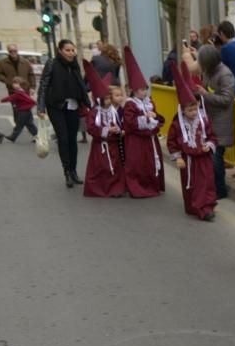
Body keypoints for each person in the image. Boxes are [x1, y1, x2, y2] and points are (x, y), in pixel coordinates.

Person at [167, 62, 218, 221]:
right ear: (182, 109)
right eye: (189, 110)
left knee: (206, 183)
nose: (193, 112)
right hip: (188, 161)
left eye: (195, 108)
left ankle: (206, 208)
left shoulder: (204, 120)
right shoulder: (177, 124)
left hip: (203, 158)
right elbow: (172, 141)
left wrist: (209, 146)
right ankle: (194, 206)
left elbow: (212, 136)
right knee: (192, 186)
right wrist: (178, 157)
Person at [37, 39, 91, 189]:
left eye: (72, 50)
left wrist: (88, 103)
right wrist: (40, 107)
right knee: (64, 139)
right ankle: (66, 171)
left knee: (73, 140)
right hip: (56, 106)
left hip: (73, 105)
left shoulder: (74, 66)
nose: (71, 53)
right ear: (60, 51)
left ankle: (73, 170)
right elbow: (44, 85)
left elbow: (80, 85)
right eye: (67, 50)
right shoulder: (52, 64)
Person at [121, 46, 164, 197]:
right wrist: (146, 117)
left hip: (149, 138)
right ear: (133, 90)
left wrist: (157, 119)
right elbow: (130, 122)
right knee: (137, 164)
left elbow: (155, 115)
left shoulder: (149, 101)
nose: (144, 92)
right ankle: (138, 188)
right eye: (140, 90)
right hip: (136, 140)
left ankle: (153, 185)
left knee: (151, 162)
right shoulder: (130, 104)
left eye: (145, 89)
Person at [195, 44, 235, 199]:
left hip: (221, 121)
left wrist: (205, 94)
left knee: (216, 158)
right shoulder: (208, 72)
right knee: (212, 156)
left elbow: (226, 99)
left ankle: (220, 190)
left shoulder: (225, 75)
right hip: (210, 119)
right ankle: (214, 187)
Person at [81, 61, 125, 198]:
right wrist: (106, 130)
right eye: (105, 99)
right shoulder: (94, 112)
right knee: (101, 167)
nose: (108, 101)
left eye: (108, 98)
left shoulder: (112, 110)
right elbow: (91, 128)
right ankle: (99, 188)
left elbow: (118, 123)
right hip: (100, 145)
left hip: (113, 145)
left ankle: (115, 189)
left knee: (115, 167)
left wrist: (117, 130)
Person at [0, 76, 38, 143]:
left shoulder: (19, 93)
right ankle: (37, 135)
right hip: (27, 111)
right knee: (29, 124)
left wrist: (0, 101)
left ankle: (13, 137)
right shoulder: (22, 91)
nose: (14, 84)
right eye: (13, 83)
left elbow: (10, 98)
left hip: (23, 111)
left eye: (16, 83)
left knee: (19, 125)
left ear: (20, 84)